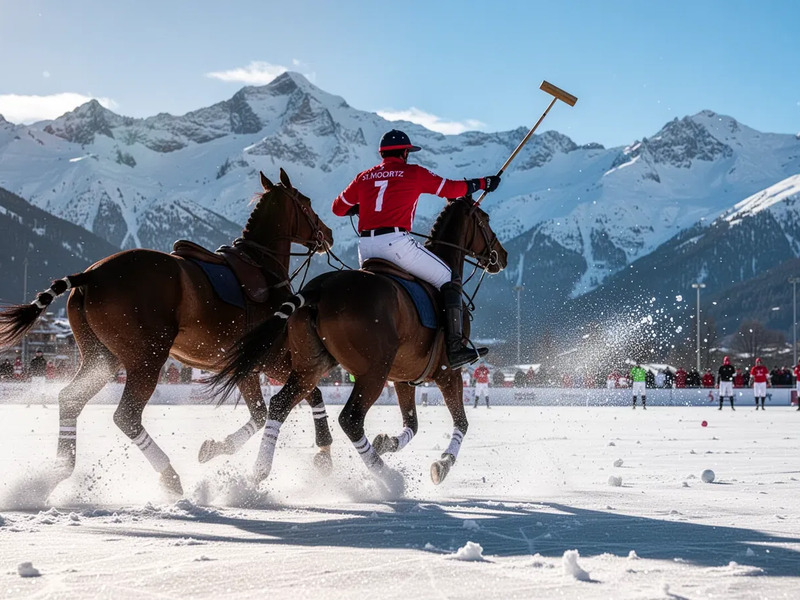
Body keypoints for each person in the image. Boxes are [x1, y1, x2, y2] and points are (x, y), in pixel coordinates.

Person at [331, 129, 501, 369]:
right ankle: (454, 348)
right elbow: (452, 190)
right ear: (404, 152)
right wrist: (483, 183)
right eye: (408, 152)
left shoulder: (364, 177)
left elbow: (338, 208)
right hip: (396, 244)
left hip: (366, 249)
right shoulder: (413, 173)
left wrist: (361, 208)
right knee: (449, 277)